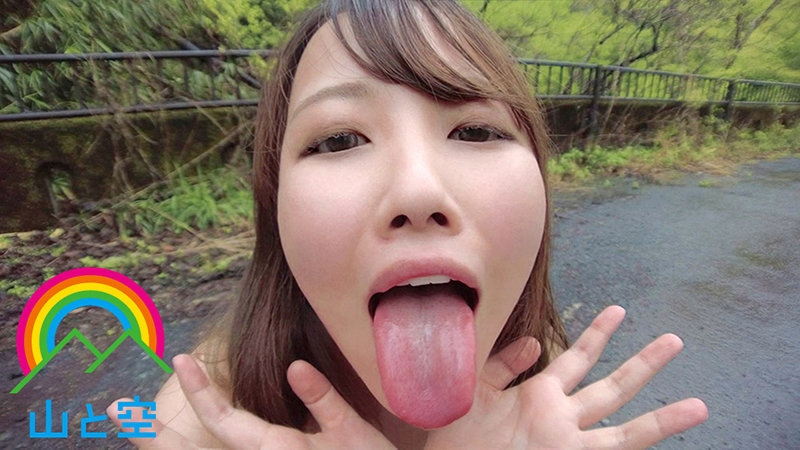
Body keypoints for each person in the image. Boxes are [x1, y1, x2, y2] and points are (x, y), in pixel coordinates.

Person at [108, 0, 708, 447]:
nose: (417, 191)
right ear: (275, 204)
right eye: (340, 140)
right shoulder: (195, 427)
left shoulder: (539, 376)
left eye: (476, 131)